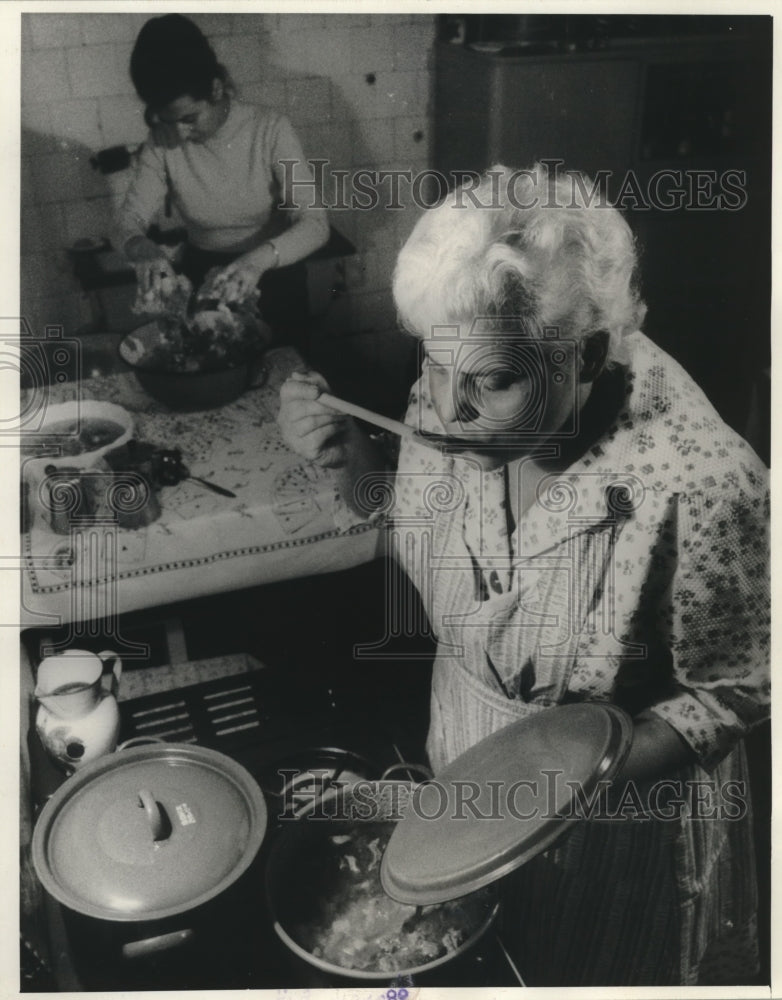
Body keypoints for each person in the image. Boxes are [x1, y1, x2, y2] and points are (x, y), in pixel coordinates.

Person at [277, 163, 770, 986]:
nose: (446, 406)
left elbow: (737, 688)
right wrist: (353, 459)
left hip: (611, 810)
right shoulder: (459, 374)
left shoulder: (704, 483)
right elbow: (429, 534)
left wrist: (552, 792)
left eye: (492, 383)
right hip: (461, 754)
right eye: (432, 367)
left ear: (585, 356)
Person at [118, 14, 329, 339]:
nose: (179, 133)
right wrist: (140, 247)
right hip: (204, 276)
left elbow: (315, 224)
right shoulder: (162, 141)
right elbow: (127, 219)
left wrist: (254, 262)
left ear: (216, 88)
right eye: (166, 119)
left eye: (189, 118)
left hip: (273, 273)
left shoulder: (271, 129)